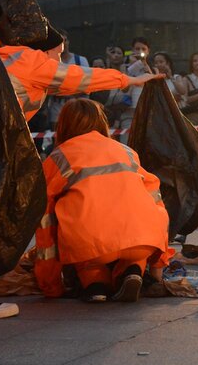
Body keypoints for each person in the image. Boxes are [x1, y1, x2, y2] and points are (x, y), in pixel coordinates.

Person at [34, 99, 171, 303]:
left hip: (90, 247)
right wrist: (158, 266)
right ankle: (134, 269)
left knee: (89, 257)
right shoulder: (126, 152)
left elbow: (45, 222)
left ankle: (94, 285)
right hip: (142, 240)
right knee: (135, 246)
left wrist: (51, 286)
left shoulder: (57, 158)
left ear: (63, 125)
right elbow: (157, 204)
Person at [0, 26, 161, 123]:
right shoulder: (36, 62)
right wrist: (131, 80)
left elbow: (70, 86)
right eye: (59, 53)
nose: (60, 60)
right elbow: (84, 78)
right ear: (45, 50)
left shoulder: (10, 55)